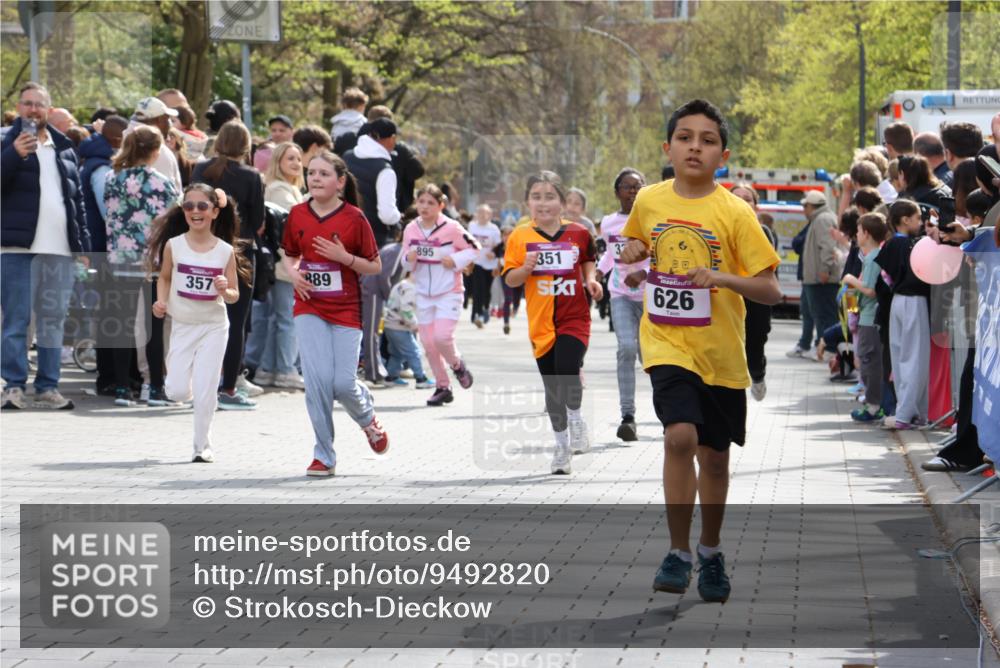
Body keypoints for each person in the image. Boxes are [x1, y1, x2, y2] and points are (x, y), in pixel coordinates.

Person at [618, 99, 781, 603]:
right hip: (666, 342)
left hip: (721, 353)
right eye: (685, 137)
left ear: (722, 155)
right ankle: (678, 552)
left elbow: (771, 290)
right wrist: (633, 257)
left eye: (707, 140)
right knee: (679, 438)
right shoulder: (649, 200)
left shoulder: (735, 212)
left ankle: (710, 551)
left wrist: (721, 277)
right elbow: (633, 258)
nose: (695, 146)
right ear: (668, 148)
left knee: (714, 459)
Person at [280, 150, 389, 476]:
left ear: (340, 182)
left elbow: (375, 266)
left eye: (324, 174)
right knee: (317, 383)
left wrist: (345, 258)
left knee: (342, 383)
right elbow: (289, 254)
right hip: (308, 304)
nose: (315, 178)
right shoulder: (297, 214)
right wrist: (294, 273)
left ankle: (367, 419)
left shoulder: (354, 218)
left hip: (345, 308)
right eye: (311, 173)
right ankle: (324, 455)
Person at [503, 171, 601, 474]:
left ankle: (576, 419)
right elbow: (510, 278)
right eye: (536, 197)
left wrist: (591, 280)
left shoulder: (579, 233)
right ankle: (561, 447)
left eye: (550, 197)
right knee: (552, 386)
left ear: (563, 202)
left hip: (575, 316)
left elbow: (588, 258)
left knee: (567, 368)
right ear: (527, 202)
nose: (543, 203)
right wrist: (527, 269)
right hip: (541, 322)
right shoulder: (520, 236)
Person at [1, 81, 90, 410]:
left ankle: (48, 386)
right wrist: (13, 155)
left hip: (59, 250)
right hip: (16, 249)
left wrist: (82, 246)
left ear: (49, 110)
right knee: (16, 320)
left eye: (39, 104)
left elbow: (76, 201)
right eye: (27, 103)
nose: (33, 109)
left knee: (54, 320)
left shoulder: (64, 147)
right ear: (19, 107)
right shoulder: (4, 141)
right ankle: (12, 386)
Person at [149, 185, 248, 462]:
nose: (195, 212)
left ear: (215, 212)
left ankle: (202, 446)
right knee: (177, 390)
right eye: (189, 206)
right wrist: (161, 302)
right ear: (183, 210)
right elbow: (165, 277)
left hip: (214, 326)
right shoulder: (174, 245)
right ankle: (190, 384)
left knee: (206, 392)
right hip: (182, 324)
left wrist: (224, 288)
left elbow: (234, 295)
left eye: (202, 206)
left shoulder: (225, 251)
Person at [102, 125, 179, 407]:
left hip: (120, 258)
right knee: (153, 325)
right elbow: (172, 221)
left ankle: (122, 387)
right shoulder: (162, 182)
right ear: (156, 151)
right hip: (152, 260)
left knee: (122, 323)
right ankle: (154, 386)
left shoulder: (113, 178)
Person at [191, 120, 265, 409]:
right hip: (240, 253)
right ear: (246, 146)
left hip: (202, 249)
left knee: (201, 318)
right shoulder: (251, 176)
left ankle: (200, 384)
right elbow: (258, 221)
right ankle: (229, 388)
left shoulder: (201, 170)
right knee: (235, 323)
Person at [403, 185, 478, 406]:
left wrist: (454, 261)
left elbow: (474, 248)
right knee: (428, 343)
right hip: (423, 292)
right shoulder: (411, 229)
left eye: (430, 203)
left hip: (449, 292)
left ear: (441, 206)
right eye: (421, 202)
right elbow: (404, 260)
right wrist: (410, 256)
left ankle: (457, 365)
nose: (425, 207)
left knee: (442, 338)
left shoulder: (452, 228)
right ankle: (443, 387)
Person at [246, 141, 305, 390]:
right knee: (287, 318)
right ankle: (285, 369)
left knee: (276, 318)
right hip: (284, 263)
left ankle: (268, 369)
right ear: (278, 162)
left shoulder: (287, 188)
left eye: (298, 158)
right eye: (289, 158)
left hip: (282, 262)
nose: (295, 163)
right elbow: (293, 229)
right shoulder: (281, 189)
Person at [596, 168, 648, 440]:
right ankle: (628, 417)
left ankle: (670, 413)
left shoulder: (653, 219)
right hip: (621, 295)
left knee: (651, 359)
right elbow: (609, 255)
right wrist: (597, 272)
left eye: (638, 187)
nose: (633, 191)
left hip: (653, 298)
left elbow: (666, 255)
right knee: (626, 349)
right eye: (627, 187)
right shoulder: (608, 223)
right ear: (617, 192)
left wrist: (645, 273)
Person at [875, 199, 930, 430]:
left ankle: (905, 410)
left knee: (899, 359)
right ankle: (908, 413)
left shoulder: (889, 244)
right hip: (914, 301)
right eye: (917, 218)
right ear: (905, 220)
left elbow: (884, 278)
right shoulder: (910, 244)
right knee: (914, 358)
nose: (920, 222)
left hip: (896, 301)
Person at [730, 182, 777, 400]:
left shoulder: (763, 232)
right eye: (736, 197)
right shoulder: (718, 228)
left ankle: (758, 374)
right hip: (727, 297)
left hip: (755, 298)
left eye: (747, 198)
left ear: (756, 205)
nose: (742, 202)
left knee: (754, 344)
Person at [842, 212, 890, 422]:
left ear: (867, 233)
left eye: (859, 231)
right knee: (869, 360)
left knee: (870, 363)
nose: (857, 234)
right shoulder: (873, 256)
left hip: (870, 318)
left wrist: (851, 279)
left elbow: (870, 290)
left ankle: (873, 407)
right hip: (867, 317)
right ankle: (873, 403)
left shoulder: (872, 258)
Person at [788, 190, 840, 358]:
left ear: (812, 206)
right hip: (816, 278)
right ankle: (823, 347)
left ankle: (827, 349)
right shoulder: (820, 218)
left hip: (822, 279)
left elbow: (827, 246)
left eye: (805, 206)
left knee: (824, 314)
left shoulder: (823, 219)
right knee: (819, 313)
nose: (804, 209)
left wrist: (825, 269)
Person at [343, 118, 401, 247]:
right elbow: (387, 215)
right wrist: (399, 218)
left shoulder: (346, 157)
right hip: (372, 239)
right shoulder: (385, 170)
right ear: (391, 138)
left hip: (342, 232)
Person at [365, 105, 424, 211]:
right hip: (394, 208)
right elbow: (418, 171)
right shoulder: (400, 151)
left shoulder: (355, 146)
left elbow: (418, 171)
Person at [132, 97, 183, 194]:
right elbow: (168, 196)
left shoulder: (124, 139)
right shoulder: (157, 151)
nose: (170, 125)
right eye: (167, 119)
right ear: (159, 119)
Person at [468, 203, 502, 327]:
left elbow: (500, 246)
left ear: (490, 215)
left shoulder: (493, 229)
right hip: (477, 262)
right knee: (478, 288)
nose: (482, 215)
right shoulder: (471, 226)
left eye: (485, 213)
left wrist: (493, 253)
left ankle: (485, 309)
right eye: (480, 213)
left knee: (486, 290)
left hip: (490, 264)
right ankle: (476, 314)